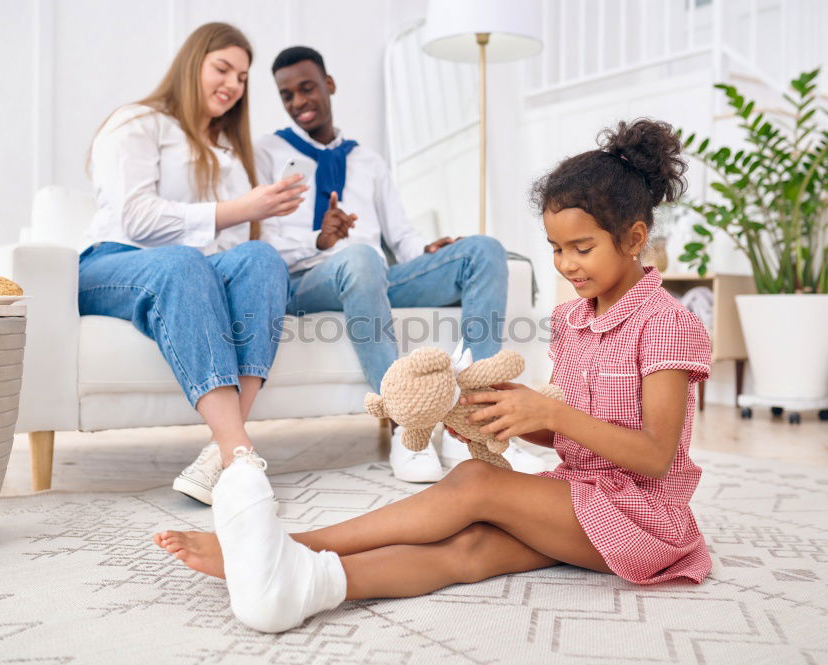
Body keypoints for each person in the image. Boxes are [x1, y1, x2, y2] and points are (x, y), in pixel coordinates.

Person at [153, 118, 714, 633]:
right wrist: (509, 419)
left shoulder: (665, 324)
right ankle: (302, 585)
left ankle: (282, 546)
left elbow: (654, 455)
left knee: (475, 484)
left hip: (643, 519)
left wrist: (549, 412)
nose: (566, 264)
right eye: (555, 248)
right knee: (467, 549)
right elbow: (575, 436)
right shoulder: (572, 318)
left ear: (635, 239)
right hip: (582, 497)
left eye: (581, 248)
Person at [255, 46, 548, 482]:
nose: (298, 102)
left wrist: (431, 252)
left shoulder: (368, 160)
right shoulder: (266, 152)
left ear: (328, 85)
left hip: (374, 276)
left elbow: (401, 236)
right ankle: (407, 426)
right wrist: (321, 238)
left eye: (306, 88)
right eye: (287, 95)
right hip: (310, 279)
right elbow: (264, 241)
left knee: (484, 249)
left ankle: (475, 423)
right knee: (359, 256)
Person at [80, 23, 308, 506]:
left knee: (261, 258)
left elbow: (227, 246)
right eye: (222, 68)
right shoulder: (137, 122)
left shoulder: (227, 151)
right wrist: (245, 208)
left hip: (192, 271)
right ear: (192, 64)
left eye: (243, 77)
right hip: (113, 263)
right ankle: (239, 449)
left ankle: (222, 452)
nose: (232, 84)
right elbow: (137, 220)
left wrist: (292, 228)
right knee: (183, 262)